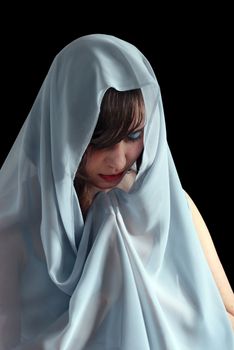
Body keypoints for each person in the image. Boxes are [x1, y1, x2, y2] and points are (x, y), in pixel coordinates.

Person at [0, 34, 233, 350]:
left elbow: (227, 308)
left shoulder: (168, 205)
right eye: (99, 140)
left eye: (134, 135)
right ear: (64, 128)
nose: (119, 159)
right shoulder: (17, 225)